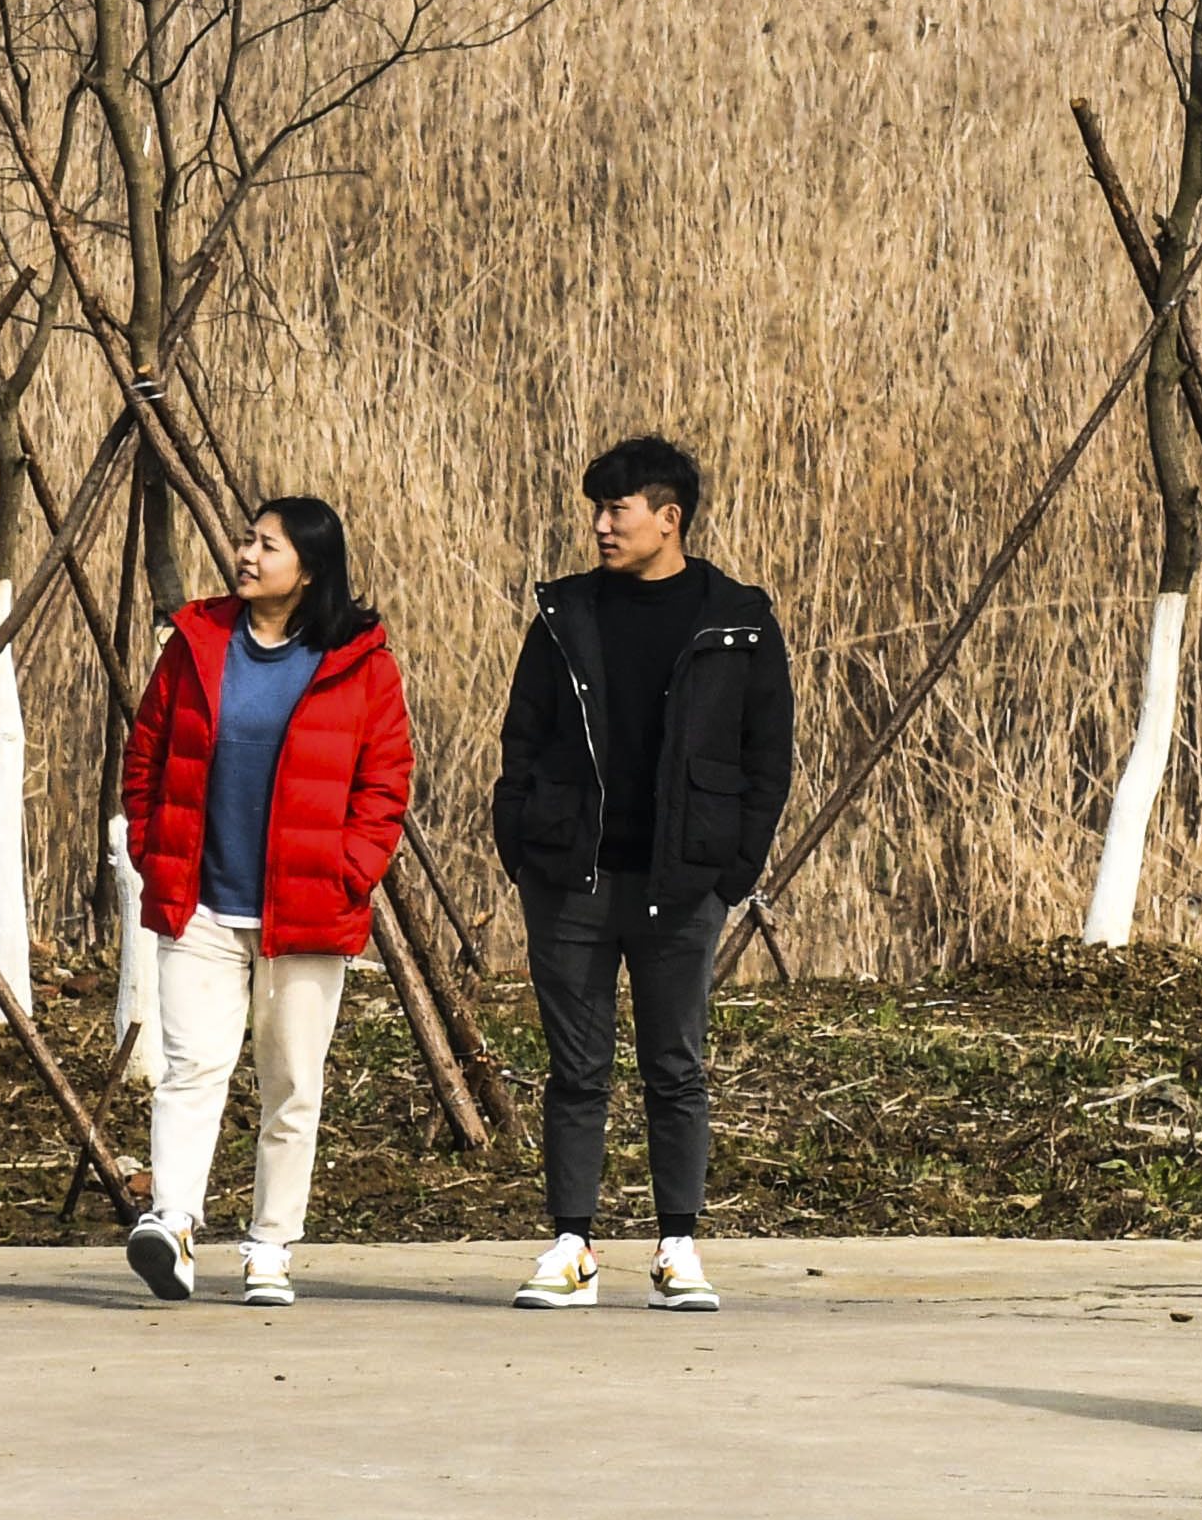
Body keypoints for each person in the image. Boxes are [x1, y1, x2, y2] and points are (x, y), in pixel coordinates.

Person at [488, 433, 795, 1315]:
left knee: (676, 1065)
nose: (599, 525)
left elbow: (766, 755)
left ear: (670, 518)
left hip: (682, 878)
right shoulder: (565, 613)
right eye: (596, 509)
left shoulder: (736, 618)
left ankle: (677, 1247)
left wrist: (732, 868)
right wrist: (522, 841)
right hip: (571, 876)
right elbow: (523, 730)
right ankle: (572, 1246)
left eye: (617, 510)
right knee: (575, 1068)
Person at [111, 493, 415, 1307]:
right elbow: (146, 752)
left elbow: (385, 783)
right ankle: (172, 1222)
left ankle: (270, 1245)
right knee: (191, 1069)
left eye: (267, 545)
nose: (246, 554)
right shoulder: (198, 643)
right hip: (200, 902)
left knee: (291, 1086)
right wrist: (151, 849)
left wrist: (351, 870)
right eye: (248, 540)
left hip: (305, 912)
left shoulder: (359, 661)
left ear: (308, 568)